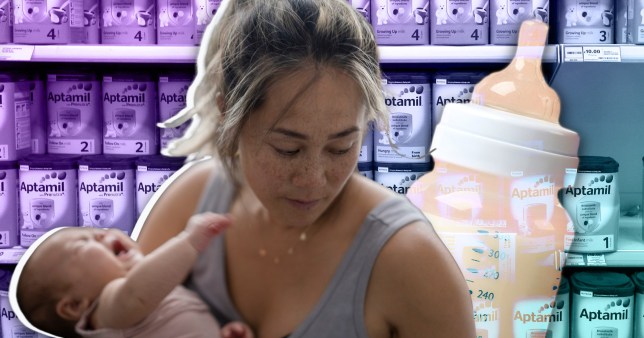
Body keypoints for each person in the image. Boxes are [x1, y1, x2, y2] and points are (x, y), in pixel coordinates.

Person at [137, 0, 476, 337]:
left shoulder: (413, 262)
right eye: (288, 149)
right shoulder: (190, 201)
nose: (313, 180)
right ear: (228, 112)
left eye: (340, 148)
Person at [14, 213, 254, 338]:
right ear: (75, 305)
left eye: (97, 230)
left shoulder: (135, 306)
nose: (102, 234)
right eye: (84, 241)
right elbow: (136, 294)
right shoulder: (104, 311)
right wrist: (188, 242)